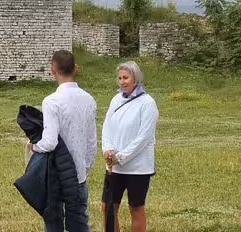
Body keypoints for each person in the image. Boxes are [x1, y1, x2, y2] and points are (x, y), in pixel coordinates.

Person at [28, 50, 97, 232]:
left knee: (53, 222)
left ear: (52, 69)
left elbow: (50, 141)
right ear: (75, 68)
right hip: (79, 173)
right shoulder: (89, 99)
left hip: (55, 174)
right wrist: (85, 167)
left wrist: (34, 146)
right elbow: (91, 142)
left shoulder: (52, 101)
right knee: (79, 223)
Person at [101, 61, 159, 232]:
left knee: (136, 208)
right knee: (108, 207)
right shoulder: (115, 99)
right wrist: (107, 149)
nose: (122, 81)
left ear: (135, 78)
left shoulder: (147, 103)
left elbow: (144, 137)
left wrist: (121, 156)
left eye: (126, 77)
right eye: (119, 78)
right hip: (114, 167)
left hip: (138, 168)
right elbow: (106, 126)